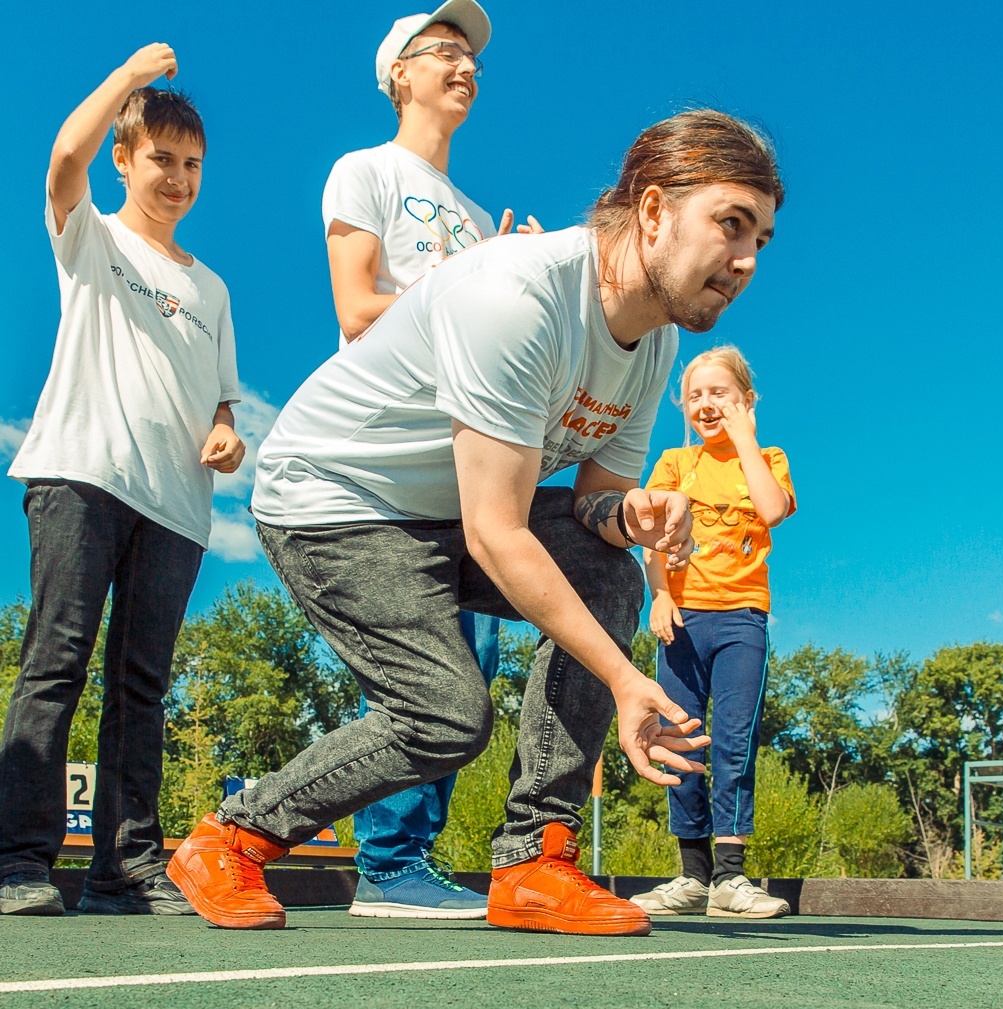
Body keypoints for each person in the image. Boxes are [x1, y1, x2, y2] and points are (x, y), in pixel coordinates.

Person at [166, 109, 784, 935]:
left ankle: (535, 860)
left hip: (443, 508)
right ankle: (227, 839)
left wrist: (630, 511)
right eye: (731, 225)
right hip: (335, 499)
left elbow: (593, 506)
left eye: (761, 241)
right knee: (447, 714)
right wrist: (624, 678)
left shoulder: (656, 344)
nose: (745, 261)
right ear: (653, 211)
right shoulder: (519, 295)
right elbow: (500, 532)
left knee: (605, 569)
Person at [0, 45, 243, 917]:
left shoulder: (210, 287)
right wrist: (127, 82)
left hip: (176, 510)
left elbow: (222, 399)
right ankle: (20, 860)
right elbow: (62, 157)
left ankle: (125, 867)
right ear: (125, 158)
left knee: (142, 685)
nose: (177, 178)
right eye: (161, 160)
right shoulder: (91, 237)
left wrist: (226, 435)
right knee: (56, 662)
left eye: (192, 165)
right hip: (81, 478)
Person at [325, 1, 540, 921]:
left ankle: (406, 857)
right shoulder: (363, 170)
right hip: (380, 463)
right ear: (398, 77)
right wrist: (471, 278)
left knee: (474, 668)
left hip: (463, 462)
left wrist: (514, 278)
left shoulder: (467, 211)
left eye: (471, 57)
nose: (464, 66)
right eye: (442, 52)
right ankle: (385, 861)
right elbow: (356, 307)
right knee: (422, 672)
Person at [629, 346, 795, 920]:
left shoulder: (767, 457)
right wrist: (661, 596)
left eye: (719, 393)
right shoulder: (676, 463)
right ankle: (692, 875)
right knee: (682, 738)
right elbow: (651, 536)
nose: (706, 404)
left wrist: (745, 436)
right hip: (682, 619)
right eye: (695, 395)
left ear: (745, 401)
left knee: (732, 742)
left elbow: (772, 511)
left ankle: (730, 877)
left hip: (741, 617)